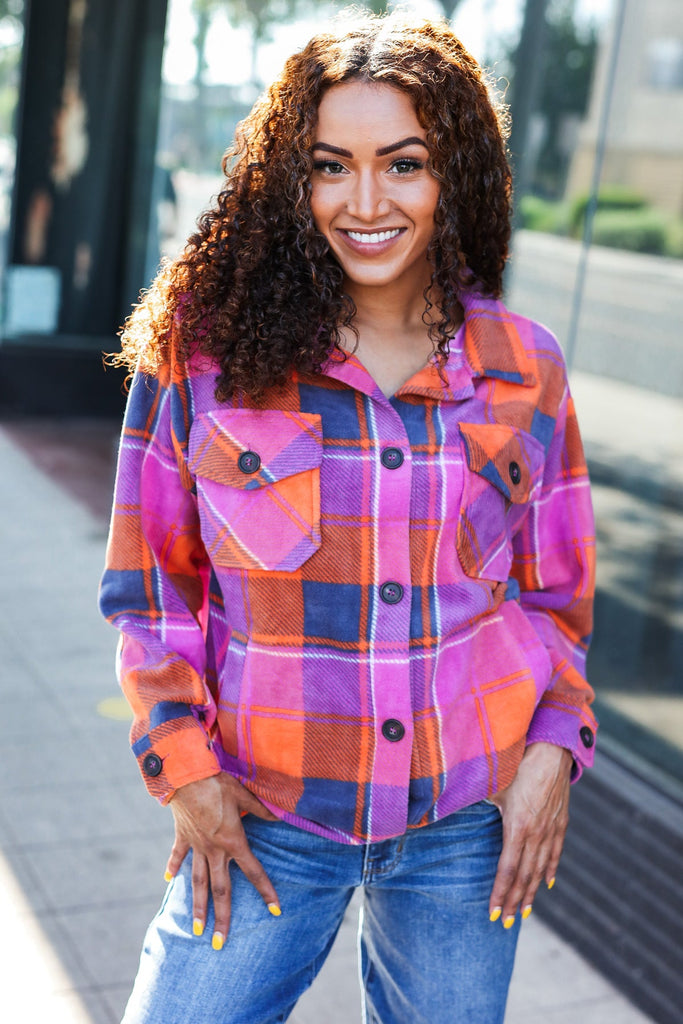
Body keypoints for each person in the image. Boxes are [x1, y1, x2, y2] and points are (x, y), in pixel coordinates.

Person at [99, 10, 597, 1023]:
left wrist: (554, 745)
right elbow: (150, 584)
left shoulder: (525, 367)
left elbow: (556, 598)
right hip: (261, 808)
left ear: (452, 173)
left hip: (462, 817)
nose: (364, 202)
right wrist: (182, 769)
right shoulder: (205, 354)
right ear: (293, 179)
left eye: (402, 164)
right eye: (331, 165)